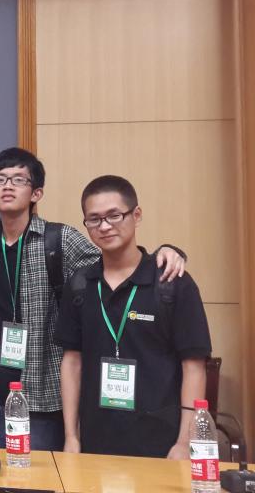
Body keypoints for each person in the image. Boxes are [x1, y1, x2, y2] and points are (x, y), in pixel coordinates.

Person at [0, 148, 186, 450]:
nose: (8, 186)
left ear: (36, 193)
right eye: (0, 179)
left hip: (41, 392)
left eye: (19, 180)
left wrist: (164, 252)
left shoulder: (59, 240)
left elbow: (116, 266)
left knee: (37, 472)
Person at [57, 175, 210, 458]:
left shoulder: (171, 283)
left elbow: (194, 367)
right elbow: (72, 362)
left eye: (114, 215)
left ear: (136, 215)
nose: (104, 226)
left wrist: (184, 441)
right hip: (96, 440)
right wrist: (71, 436)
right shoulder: (80, 284)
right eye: (94, 219)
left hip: (160, 441)